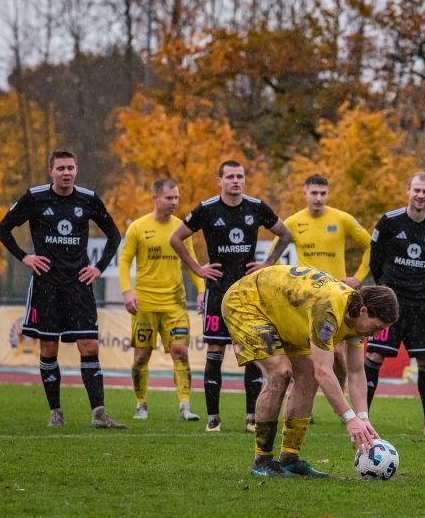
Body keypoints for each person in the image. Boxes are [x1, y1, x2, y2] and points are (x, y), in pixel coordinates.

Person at [221, 265, 397, 477]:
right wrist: (350, 419)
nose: (376, 334)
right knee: (280, 372)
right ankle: (262, 461)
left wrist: (363, 418)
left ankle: (289, 458)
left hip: (282, 311)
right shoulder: (329, 309)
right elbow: (323, 371)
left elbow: (357, 372)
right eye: (377, 327)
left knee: (307, 377)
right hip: (247, 302)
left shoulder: (356, 319)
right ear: (364, 311)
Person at [0, 150, 126, 429]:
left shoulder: (88, 199)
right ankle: (56, 412)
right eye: (60, 168)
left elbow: (114, 235)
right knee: (49, 347)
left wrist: (99, 268)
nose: (66, 173)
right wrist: (25, 257)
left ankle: (99, 414)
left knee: (89, 345)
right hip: (47, 285)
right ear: (50, 171)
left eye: (70, 168)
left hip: (79, 284)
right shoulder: (35, 197)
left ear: (77, 170)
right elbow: (3, 229)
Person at [169, 161, 292, 433]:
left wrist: (269, 262)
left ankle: (251, 416)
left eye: (240, 176)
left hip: (248, 293)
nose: (236, 181)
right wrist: (197, 268)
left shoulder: (256, 207)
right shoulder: (207, 209)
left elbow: (285, 233)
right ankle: (214, 417)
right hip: (217, 291)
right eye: (230, 177)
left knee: (251, 352)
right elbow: (176, 238)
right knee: (215, 353)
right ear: (220, 180)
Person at [364, 172, 425, 436]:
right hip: (391, 302)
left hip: (420, 302)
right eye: (417, 190)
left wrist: (416, 285)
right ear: (408, 191)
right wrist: (386, 290)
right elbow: (375, 261)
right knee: (375, 355)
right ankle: (360, 419)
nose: (421, 196)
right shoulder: (389, 222)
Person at [272, 173, 372, 398]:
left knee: (337, 351)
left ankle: (341, 389)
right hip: (306, 298)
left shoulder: (342, 219)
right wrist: (287, 285)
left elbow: (370, 245)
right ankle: (305, 394)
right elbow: (274, 258)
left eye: (323, 193)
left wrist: (358, 276)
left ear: (328, 194)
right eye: (314, 193)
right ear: (304, 194)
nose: (318, 198)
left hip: (338, 297)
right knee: (304, 352)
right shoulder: (292, 222)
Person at [118, 178, 205, 421]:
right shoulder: (137, 227)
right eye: (169, 198)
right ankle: (141, 405)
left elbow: (192, 263)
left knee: (180, 352)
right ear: (155, 198)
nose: (174, 202)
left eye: (176, 198)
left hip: (174, 304)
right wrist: (127, 291)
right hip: (144, 304)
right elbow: (124, 261)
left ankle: (185, 407)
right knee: (141, 355)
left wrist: (201, 290)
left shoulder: (182, 228)